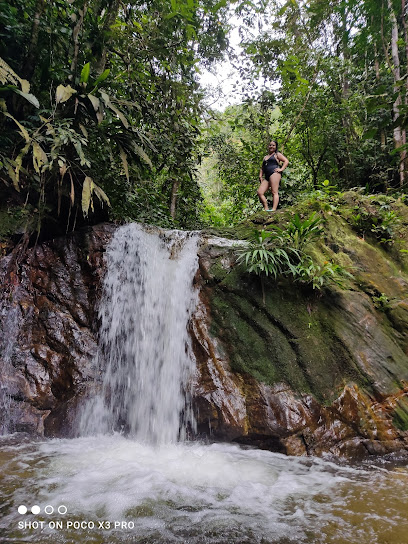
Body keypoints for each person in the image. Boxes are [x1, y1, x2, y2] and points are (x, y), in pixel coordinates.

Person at [258, 140, 289, 211]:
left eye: (273, 145)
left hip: (274, 173)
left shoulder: (277, 154)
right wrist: (260, 176)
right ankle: (266, 208)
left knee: (274, 191)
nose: (271, 146)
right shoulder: (265, 157)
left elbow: (286, 161)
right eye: (270, 145)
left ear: (276, 147)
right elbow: (262, 168)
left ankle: (274, 209)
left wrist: (281, 169)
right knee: (260, 192)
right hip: (266, 176)